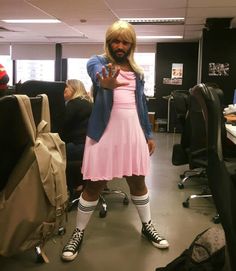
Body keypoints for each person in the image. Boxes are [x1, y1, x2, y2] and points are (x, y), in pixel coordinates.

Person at [61, 20, 169, 262]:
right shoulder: (97, 61)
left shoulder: (138, 71)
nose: (120, 45)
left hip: (132, 132)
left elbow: (141, 105)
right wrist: (105, 83)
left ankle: (147, 225)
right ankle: (78, 232)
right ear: (109, 42)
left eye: (125, 41)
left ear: (131, 44)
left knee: (138, 182)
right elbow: (98, 75)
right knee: (94, 185)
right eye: (115, 41)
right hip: (104, 133)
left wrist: (148, 134)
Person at [60, 79, 93, 197]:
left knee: (53, 154)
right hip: (89, 146)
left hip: (79, 146)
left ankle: (69, 189)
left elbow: (63, 127)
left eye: (67, 87)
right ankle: (79, 183)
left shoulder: (73, 104)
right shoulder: (88, 102)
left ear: (74, 89)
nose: (64, 90)